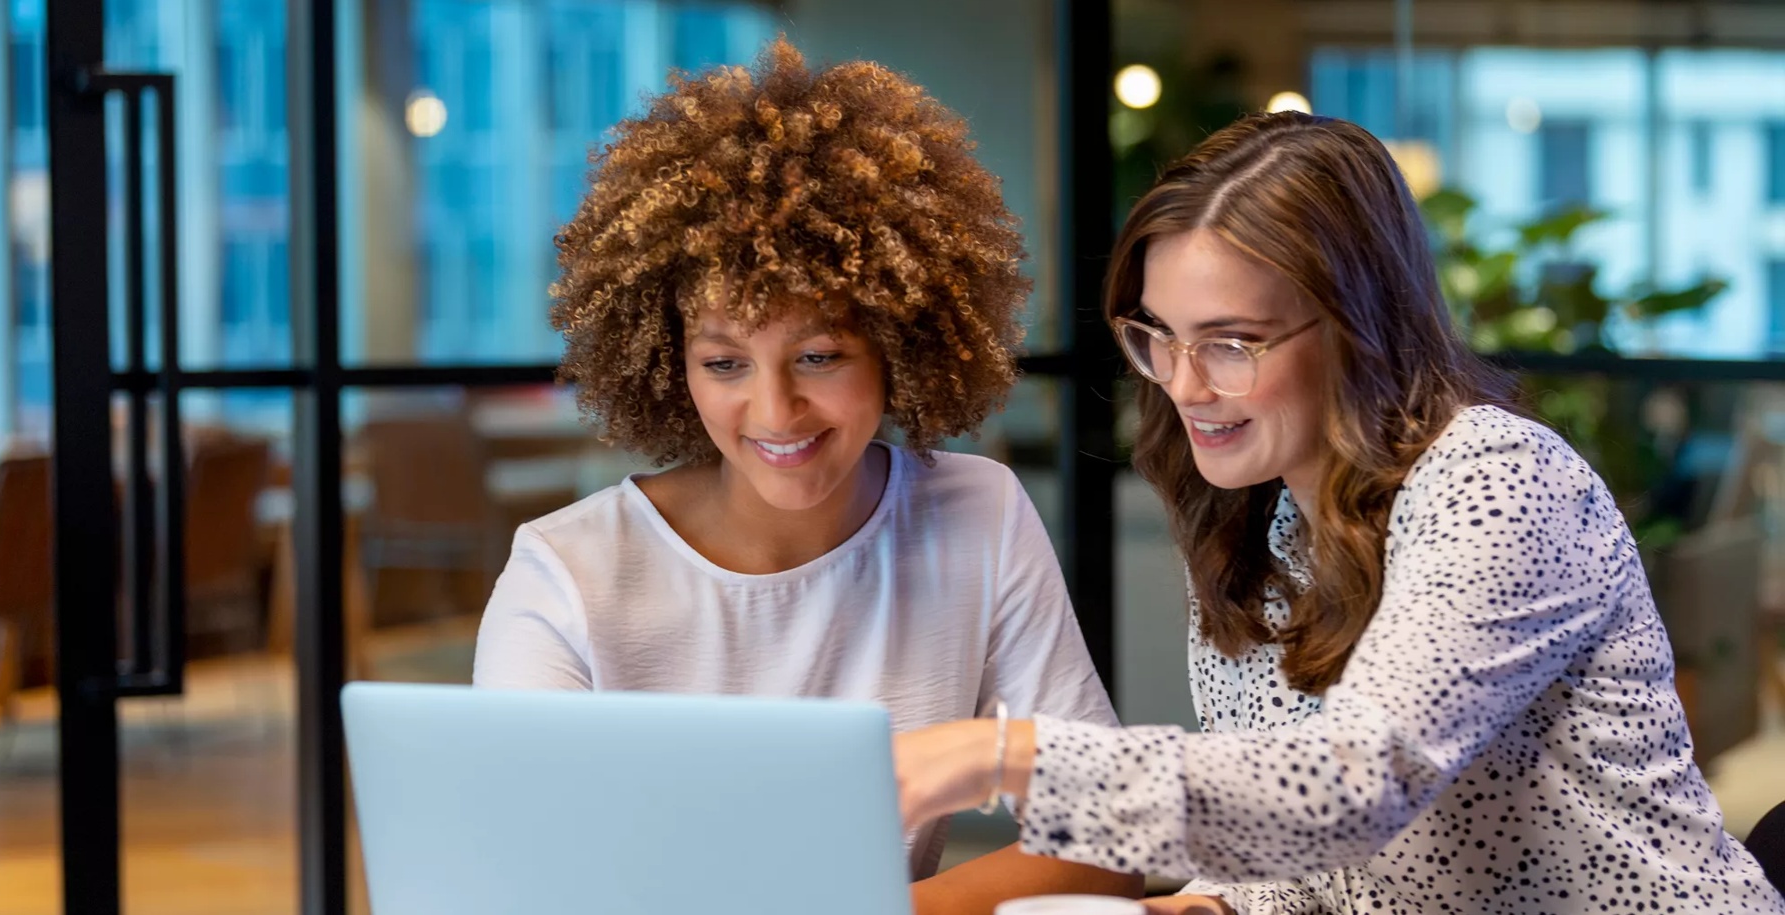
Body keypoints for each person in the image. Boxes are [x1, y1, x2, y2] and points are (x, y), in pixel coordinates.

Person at [891, 111, 1785, 915]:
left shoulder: (1500, 481)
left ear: (1359, 324)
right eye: (1158, 334)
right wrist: (1199, 909)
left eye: (1231, 343)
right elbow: (1292, 853)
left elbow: (1355, 786)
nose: (1183, 384)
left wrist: (1002, 754)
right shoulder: (1270, 525)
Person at [471, 37, 1142, 914]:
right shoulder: (566, 572)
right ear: (670, 363)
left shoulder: (975, 515)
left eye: (819, 355)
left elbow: (1109, 843)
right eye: (724, 364)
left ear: (899, 346)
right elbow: (516, 877)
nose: (777, 412)